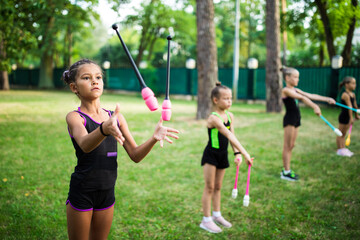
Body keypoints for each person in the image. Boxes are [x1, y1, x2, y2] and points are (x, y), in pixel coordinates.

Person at [62, 59, 179, 240]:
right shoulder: (75, 117)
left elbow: (135, 155)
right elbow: (85, 145)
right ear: (74, 87)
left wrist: (153, 138)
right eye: (86, 78)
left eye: (98, 77)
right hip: (83, 190)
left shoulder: (115, 117)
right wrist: (103, 129)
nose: (94, 81)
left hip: (107, 191)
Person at [199, 82, 253, 233]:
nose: (229, 101)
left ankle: (216, 215)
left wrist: (236, 153)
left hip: (223, 155)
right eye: (226, 98)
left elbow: (232, 136)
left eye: (231, 98)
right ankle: (206, 220)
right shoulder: (213, 118)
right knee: (209, 187)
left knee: (218, 187)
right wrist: (245, 153)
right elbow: (227, 134)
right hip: (211, 155)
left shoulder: (230, 116)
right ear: (216, 100)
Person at [281, 67, 335, 181]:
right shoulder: (286, 90)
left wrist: (327, 99)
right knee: (287, 145)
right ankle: (285, 172)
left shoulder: (295, 89)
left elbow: (310, 95)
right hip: (290, 119)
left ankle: (287, 170)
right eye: (295, 77)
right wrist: (314, 106)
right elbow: (301, 97)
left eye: (298, 77)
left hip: (296, 119)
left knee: (292, 145)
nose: (297, 79)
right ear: (287, 78)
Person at [336, 76, 359, 157]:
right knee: (340, 134)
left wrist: (356, 115)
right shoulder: (345, 95)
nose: (355, 85)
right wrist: (351, 118)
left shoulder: (353, 94)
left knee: (344, 134)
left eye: (355, 83)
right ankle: (339, 150)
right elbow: (350, 107)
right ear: (346, 84)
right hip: (344, 117)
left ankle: (343, 148)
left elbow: (355, 106)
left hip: (349, 117)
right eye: (353, 83)